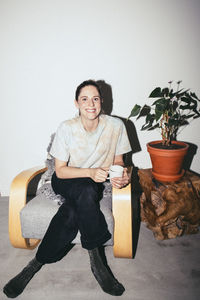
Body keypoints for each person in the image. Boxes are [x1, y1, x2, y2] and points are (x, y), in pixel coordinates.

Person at [3, 80, 131, 298]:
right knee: (86, 189)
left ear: (102, 101)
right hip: (65, 180)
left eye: (95, 98)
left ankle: (34, 264)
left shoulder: (116, 126)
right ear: (76, 103)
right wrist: (90, 172)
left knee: (73, 208)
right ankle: (97, 259)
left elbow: (118, 161)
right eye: (85, 99)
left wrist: (122, 175)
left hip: (92, 185)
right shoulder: (67, 128)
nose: (91, 104)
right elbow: (60, 171)